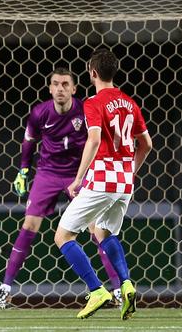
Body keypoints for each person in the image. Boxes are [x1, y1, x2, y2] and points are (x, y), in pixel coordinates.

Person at [0, 68, 122, 309]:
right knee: (29, 225)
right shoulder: (40, 113)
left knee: (97, 229)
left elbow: (98, 140)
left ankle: (116, 290)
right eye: (55, 84)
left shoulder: (85, 110)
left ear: (74, 89)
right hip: (48, 173)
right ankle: (5, 290)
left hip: (79, 173)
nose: (60, 88)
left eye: (65, 84)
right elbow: (29, 142)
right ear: (50, 88)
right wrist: (23, 170)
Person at [54, 48, 152, 320]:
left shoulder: (93, 102)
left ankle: (96, 290)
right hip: (124, 184)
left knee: (63, 236)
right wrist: (129, 172)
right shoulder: (130, 102)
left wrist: (77, 180)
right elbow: (147, 145)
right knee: (103, 232)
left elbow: (94, 139)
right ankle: (127, 284)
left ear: (93, 73)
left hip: (102, 180)